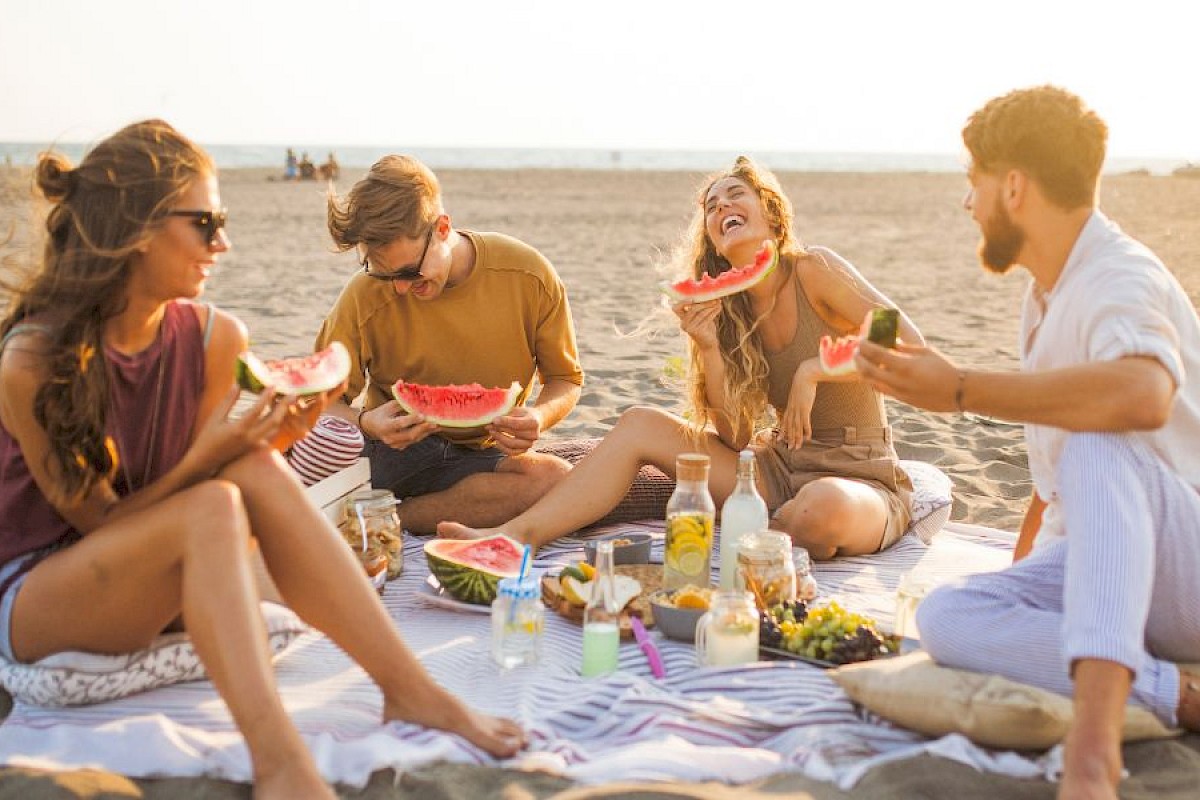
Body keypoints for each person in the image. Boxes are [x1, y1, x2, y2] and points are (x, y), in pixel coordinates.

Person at [0, 121, 524, 800]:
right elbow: (102, 523)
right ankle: (278, 760)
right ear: (138, 229)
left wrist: (263, 447)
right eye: (206, 221)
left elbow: (193, 496)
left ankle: (410, 690)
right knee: (221, 489)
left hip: (154, 573)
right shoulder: (31, 360)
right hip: (44, 598)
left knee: (247, 474)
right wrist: (216, 455)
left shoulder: (217, 337)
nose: (224, 242)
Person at [855, 86, 1200, 799]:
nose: (968, 204)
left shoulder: (1120, 275)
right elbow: (1050, 497)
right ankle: (1179, 696)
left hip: (1185, 560)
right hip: (1121, 569)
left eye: (973, 182)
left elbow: (1142, 396)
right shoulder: (1044, 294)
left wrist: (959, 391)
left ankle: (1093, 754)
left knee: (1100, 445)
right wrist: (1014, 587)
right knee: (949, 615)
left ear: (1013, 185)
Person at [440, 156, 923, 558]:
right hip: (776, 471)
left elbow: (902, 333)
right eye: (712, 207)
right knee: (639, 422)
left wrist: (814, 370)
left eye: (736, 195)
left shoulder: (813, 269)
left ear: (772, 214)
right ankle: (513, 538)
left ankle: (770, 528)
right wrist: (710, 347)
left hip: (859, 473)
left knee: (823, 509)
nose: (722, 207)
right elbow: (733, 436)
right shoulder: (729, 310)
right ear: (713, 240)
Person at [315, 155, 583, 533]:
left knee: (555, 479)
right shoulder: (365, 293)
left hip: (481, 456)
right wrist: (367, 422)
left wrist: (539, 416)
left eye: (410, 272)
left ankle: (388, 520)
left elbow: (565, 379)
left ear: (442, 228)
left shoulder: (527, 275)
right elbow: (320, 402)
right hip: (390, 451)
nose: (401, 288)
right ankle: (378, 513)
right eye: (384, 273)